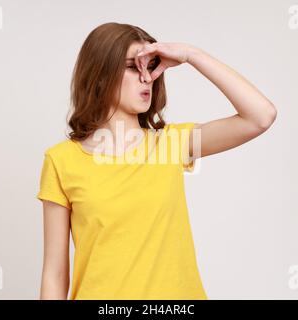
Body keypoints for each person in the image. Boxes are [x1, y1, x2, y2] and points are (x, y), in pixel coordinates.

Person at [36, 22, 277, 300]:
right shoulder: (61, 161)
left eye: (151, 67)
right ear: (100, 75)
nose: (147, 77)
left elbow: (260, 116)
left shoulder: (171, 144)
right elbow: (54, 274)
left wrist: (191, 54)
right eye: (132, 66)